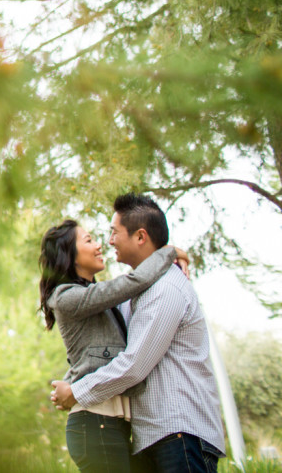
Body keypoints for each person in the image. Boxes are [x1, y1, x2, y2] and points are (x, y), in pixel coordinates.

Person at [51, 193, 226, 473]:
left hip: (179, 432)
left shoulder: (165, 288)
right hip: (155, 436)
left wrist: (77, 391)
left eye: (113, 233)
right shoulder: (133, 295)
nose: (107, 242)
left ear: (140, 236)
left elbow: (134, 365)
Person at [40, 217, 185, 472]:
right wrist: (167, 252)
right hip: (95, 423)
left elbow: (87, 355)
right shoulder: (66, 297)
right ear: (70, 255)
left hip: (110, 424)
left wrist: (71, 385)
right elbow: (130, 283)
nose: (99, 246)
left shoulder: (94, 301)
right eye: (89, 240)